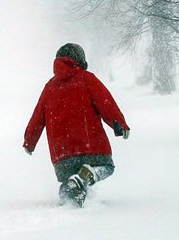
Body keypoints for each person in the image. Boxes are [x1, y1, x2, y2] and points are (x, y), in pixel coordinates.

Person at [23, 43, 130, 207]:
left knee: (69, 180)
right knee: (106, 167)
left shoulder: (49, 87)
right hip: (90, 146)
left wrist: (29, 142)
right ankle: (88, 175)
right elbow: (105, 103)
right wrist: (119, 124)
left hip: (62, 154)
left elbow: (37, 117)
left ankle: (68, 200)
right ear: (80, 60)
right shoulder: (87, 79)